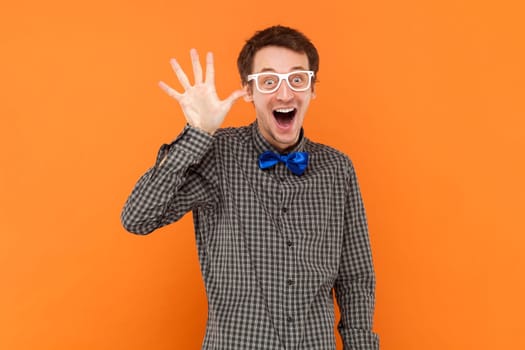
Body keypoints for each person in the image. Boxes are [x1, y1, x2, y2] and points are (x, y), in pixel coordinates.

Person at [121, 25, 379, 350]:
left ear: (312, 88)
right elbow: (137, 217)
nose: (284, 94)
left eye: (297, 79)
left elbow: (355, 277)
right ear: (248, 91)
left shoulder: (337, 168)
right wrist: (197, 134)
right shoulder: (217, 153)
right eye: (269, 81)